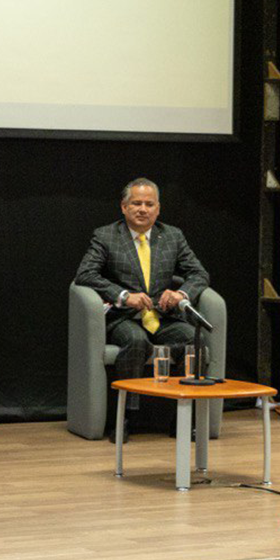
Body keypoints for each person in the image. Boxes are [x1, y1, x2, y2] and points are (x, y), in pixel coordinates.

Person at [74, 178, 209, 433]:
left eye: (149, 204)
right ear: (124, 207)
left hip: (163, 317)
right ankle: (125, 418)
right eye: (136, 203)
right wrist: (124, 295)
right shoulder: (106, 235)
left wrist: (180, 293)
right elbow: (85, 274)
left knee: (194, 340)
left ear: (158, 209)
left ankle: (183, 419)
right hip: (124, 317)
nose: (143, 209)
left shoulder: (172, 236)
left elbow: (199, 274)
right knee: (136, 341)